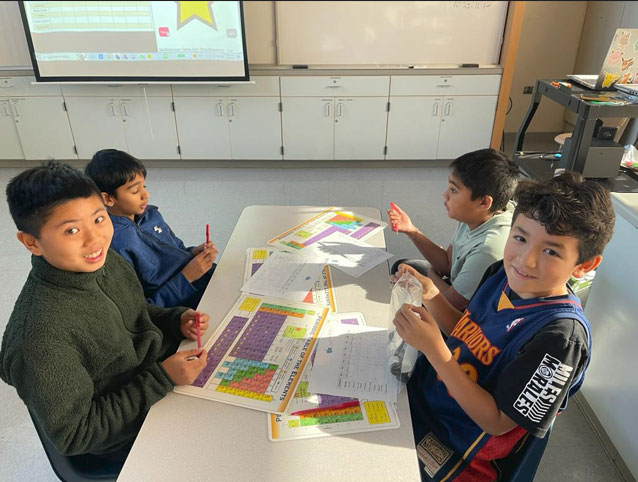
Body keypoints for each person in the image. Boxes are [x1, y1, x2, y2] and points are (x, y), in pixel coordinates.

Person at [393, 171, 615, 482]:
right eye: (520, 238)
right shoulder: (502, 274)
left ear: (585, 265)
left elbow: (497, 422)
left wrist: (434, 350)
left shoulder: (561, 338)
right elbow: (466, 332)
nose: (525, 260)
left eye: (551, 251)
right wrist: (431, 294)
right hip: (422, 400)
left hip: (456, 450)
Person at [0, 161, 209, 460]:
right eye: (72, 230)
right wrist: (162, 378)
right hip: (128, 434)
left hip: (155, 377)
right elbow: (76, 435)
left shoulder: (102, 260)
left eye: (99, 219)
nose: (95, 239)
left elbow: (136, 311)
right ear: (32, 242)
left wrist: (175, 320)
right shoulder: (40, 339)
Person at [388, 148, 519, 311]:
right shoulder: (477, 215)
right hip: (455, 285)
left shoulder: (488, 248)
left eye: (453, 190)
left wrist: (430, 274)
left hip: (462, 310)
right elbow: (447, 265)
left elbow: (452, 303)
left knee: (406, 295)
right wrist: (411, 231)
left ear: (484, 202)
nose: (445, 195)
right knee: (401, 268)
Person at [85, 149, 218, 309]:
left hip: (206, 279)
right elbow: (143, 308)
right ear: (108, 198)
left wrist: (193, 253)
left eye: (144, 186)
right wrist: (187, 277)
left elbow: (176, 247)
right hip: (185, 305)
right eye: (135, 191)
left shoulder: (152, 215)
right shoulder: (115, 244)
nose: (146, 194)